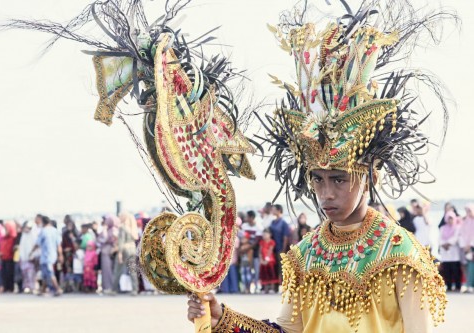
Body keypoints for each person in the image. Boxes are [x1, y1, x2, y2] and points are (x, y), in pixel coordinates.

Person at [187, 2, 451, 331]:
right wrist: (221, 317)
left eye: (339, 180)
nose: (326, 193)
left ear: (368, 176)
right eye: (318, 179)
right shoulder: (305, 254)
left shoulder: (399, 253)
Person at [31, 216, 63, 296]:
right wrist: (60, 255)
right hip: (53, 255)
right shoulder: (55, 231)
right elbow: (59, 244)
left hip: (46, 256)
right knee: (44, 274)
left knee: (49, 273)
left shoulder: (43, 231)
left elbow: (37, 244)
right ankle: (43, 290)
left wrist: (31, 252)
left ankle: (57, 289)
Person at [113, 213, 139, 295]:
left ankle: (113, 289)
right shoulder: (133, 228)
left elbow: (121, 241)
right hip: (132, 250)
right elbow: (136, 238)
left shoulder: (122, 227)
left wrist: (120, 253)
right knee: (132, 270)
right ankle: (135, 289)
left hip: (124, 250)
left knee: (118, 270)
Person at [439, 212, 462, 291]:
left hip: (454, 252)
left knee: (456, 271)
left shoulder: (457, 227)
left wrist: (448, 243)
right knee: (447, 270)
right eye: (448, 219)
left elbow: (456, 237)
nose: (450, 221)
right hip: (445, 253)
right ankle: (448, 286)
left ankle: (457, 286)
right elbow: (439, 238)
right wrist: (443, 244)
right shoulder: (443, 228)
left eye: (451, 219)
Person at [242, 210, 263, 293]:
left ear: (251, 218)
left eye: (247, 217)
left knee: (256, 271)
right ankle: (247, 288)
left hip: (255, 253)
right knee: (247, 270)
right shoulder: (244, 226)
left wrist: (246, 248)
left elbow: (256, 242)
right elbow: (242, 238)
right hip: (246, 253)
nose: (246, 218)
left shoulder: (258, 227)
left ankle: (257, 287)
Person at [269, 204, 290, 287]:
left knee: (281, 267)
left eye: (274, 209)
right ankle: (275, 285)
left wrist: (283, 249)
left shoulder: (283, 223)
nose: (272, 211)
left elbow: (286, 237)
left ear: (278, 210)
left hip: (280, 248)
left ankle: (283, 285)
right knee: (274, 267)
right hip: (272, 248)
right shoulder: (272, 222)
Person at [98, 214, 119, 295]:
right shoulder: (112, 229)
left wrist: (104, 229)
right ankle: (107, 287)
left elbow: (104, 238)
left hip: (109, 252)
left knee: (108, 271)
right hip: (107, 252)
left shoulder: (113, 230)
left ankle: (109, 287)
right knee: (107, 271)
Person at [19, 222, 37, 293]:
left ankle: (32, 287)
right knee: (25, 274)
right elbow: (22, 247)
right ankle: (27, 287)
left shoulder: (33, 235)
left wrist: (33, 255)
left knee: (31, 273)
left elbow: (35, 246)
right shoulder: (23, 236)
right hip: (23, 259)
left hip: (31, 258)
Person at [0, 220, 17, 292]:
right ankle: (5, 287)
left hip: (10, 258)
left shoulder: (13, 238)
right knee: (4, 273)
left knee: (10, 273)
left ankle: (10, 287)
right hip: (3, 258)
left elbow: (11, 249)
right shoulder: (3, 238)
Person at [259, 229, 278, 294]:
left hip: (270, 260)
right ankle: (265, 289)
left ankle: (272, 288)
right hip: (263, 261)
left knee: (271, 274)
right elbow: (260, 252)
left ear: (270, 235)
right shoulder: (261, 242)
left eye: (266, 234)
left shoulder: (272, 242)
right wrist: (261, 259)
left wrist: (267, 259)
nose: (264, 236)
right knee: (264, 275)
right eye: (263, 234)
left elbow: (270, 250)